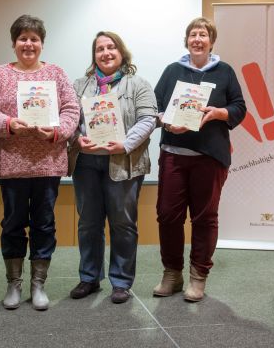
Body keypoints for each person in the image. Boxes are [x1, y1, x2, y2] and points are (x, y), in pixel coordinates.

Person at [0, 15, 80, 311]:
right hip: (12, 164)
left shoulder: (57, 74)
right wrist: (10, 123)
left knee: (44, 223)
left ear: (42, 43)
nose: (28, 44)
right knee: (12, 223)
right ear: (14, 43)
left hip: (47, 162)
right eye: (23, 38)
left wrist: (57, 131)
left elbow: (72, 110)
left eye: (34, 39)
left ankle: (38, 284)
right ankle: (14, 283)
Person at [153, 17, 246, 302]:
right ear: (186, 40)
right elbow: (154, 108)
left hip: (210, 157)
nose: (197, 39)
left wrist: (218, 113)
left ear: (211, 41)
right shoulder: (172, 71)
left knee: (205, 218)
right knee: (168, 216)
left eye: (203, 34)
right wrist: (167, 123)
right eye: (193, 34)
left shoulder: (225, 72)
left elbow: (239, 108)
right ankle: (172, 273)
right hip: (174, 155)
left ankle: (198, 277)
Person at [68, 31, 157, 304]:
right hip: (86, 162)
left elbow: (148, 119)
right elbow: (69, 118)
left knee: (123, 224)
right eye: (99, 49)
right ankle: (89, 278)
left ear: (121, 53)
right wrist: (75, 138)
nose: (105, 53)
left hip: (123, 162)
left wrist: (124, 144)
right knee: (88, 223)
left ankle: (121, 282)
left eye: (111, 48)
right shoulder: (80, 85)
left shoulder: (138, 84)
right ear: (94, 55)